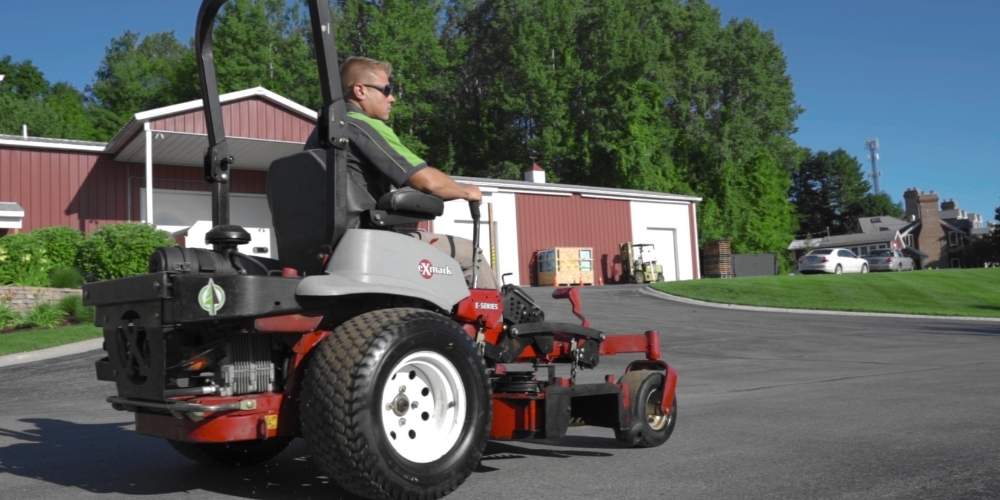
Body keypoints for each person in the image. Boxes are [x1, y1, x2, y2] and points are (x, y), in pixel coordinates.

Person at [336, 56, 497, 289]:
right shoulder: (362, 126)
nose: (392, 98)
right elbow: (427, 182)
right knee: (473, 256)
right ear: (360, 91)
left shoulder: (321, 135)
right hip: (369, 242)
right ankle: (491, 324)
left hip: (335, 244)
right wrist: (466, 192)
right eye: (386, 89)